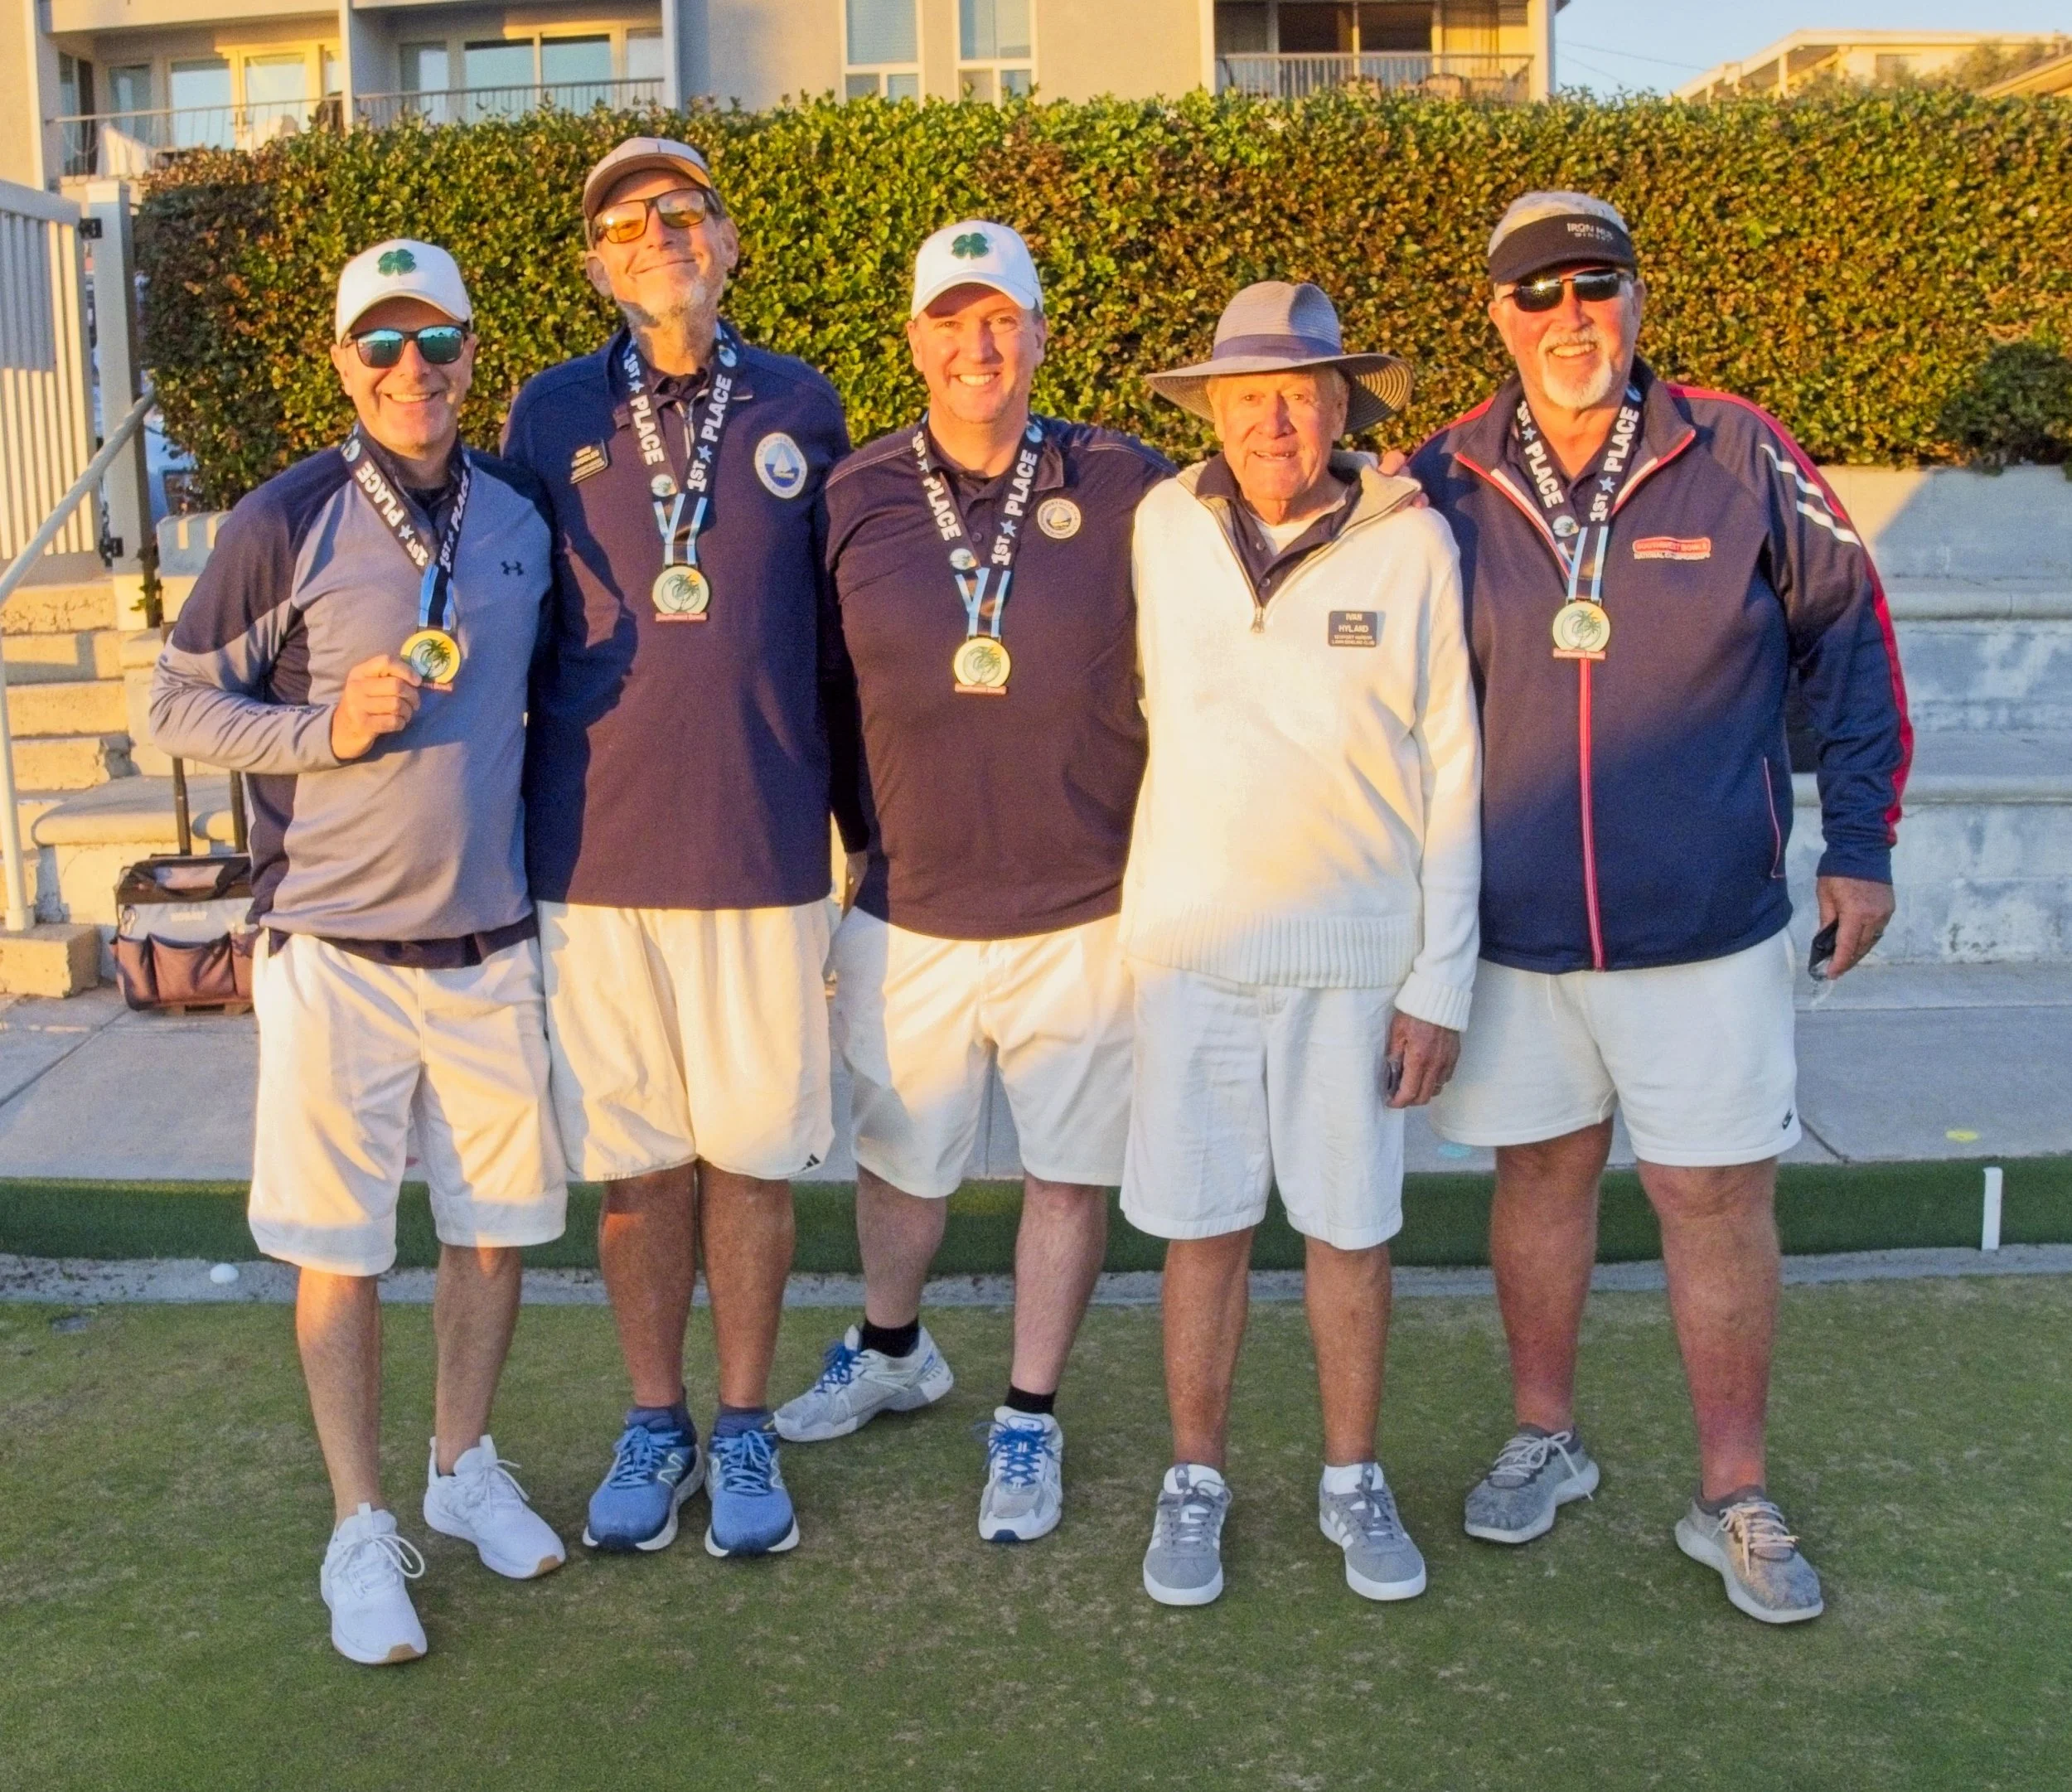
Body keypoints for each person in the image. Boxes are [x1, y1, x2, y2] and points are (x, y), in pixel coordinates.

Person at [1410, 192, 1910, 1625]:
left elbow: (1851, 643)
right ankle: (1543, 1436)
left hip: (1707, 926)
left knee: (1710, 1196)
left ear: (1636, 300)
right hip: (1512, 933)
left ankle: (1734, 1491)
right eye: (1539, 294)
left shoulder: (1738, 448)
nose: (1571, 317)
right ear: (1496, 316)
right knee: (1541, 1181)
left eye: (1597, 287)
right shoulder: (1443, 474)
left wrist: (1859, 841)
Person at [150, 240, 566, 1665]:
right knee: (339, 1254)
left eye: (434, 342)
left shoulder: (520, 512)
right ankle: (358, 1522)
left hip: (492, 939)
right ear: (342, 363)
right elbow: (178, 706)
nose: (411, 372)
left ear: (469, 352)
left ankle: (460, 1468)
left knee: (496, 1235)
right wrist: (321, 732)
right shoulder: (287, 517)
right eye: (380, 348)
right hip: (329, 944)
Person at [777, 222, 1172, 1543]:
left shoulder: (1125, 480)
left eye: (1000, 318)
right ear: (914, 344)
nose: (977, 345)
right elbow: (811, 687)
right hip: (907, 903)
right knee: (903, 1162)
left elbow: (1261, 531)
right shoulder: (853, 492)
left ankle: (1027, 1417)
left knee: (1067, 1172)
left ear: (1041, 333)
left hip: (1084, 909)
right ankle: (895, 1349)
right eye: (950, 321)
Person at [501, 138, 861, 1560]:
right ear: (597, 261)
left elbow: (847, 634)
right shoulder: (544, 412)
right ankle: (655, 1418)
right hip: (591, 857)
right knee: (641, 1170)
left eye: (683, 211)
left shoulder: (802, 402)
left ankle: (748, 1420)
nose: (659, 234)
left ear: (727, 238)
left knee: (755, 1159)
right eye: (627, 222)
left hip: (769, 849)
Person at [1124, 281, 1482, 1607]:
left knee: (1348, 1233)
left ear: (1344, 406)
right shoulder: (1161, 524)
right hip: (1193, 952)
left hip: (1356, 960)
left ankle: (1350, 1477)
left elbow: (1454, 763)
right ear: (1209, 407)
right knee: (1202, 1231)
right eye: (1247, 393)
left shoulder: (1413, 546)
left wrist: (1439, 978)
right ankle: (1196, 1478)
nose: (1273, 418)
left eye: (1300, 391)